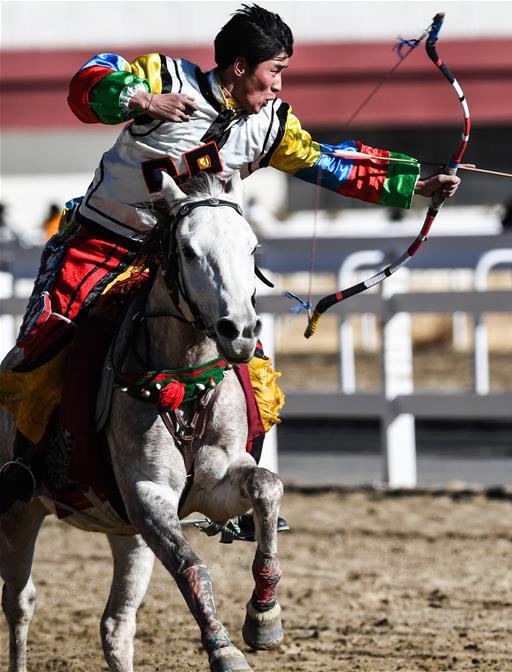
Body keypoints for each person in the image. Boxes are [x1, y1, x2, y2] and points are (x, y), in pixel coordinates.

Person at [0, 4, 460, 522]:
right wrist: (141, 97)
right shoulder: (165, 77)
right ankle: (27, 467)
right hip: (103, 244)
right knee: (46, 340)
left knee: (246, 355)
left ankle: (239, 490)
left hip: (186, 260)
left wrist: (414, 182)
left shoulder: (271, 125)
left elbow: (327, 161)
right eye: (275, 70)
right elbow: (87, 83)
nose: (280, 85)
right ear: (240, 67)